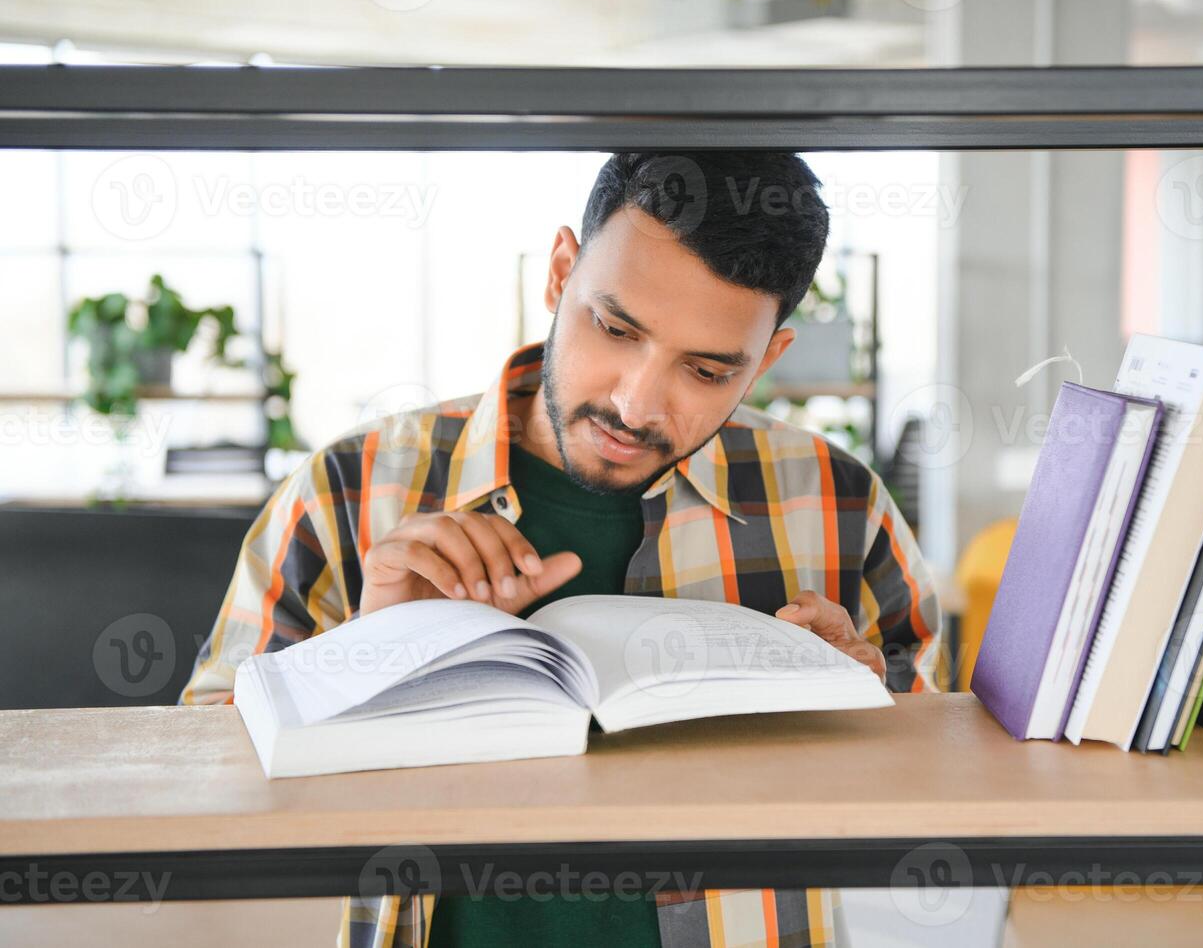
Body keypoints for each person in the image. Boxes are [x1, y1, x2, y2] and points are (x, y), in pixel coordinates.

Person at [181, 150, 942, 947]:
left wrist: (862, 718)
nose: (635, 402)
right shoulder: (347, 488)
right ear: (558, 273)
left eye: (708, 369)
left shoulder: (838, 501)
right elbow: (202, 775)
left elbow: (937, 780)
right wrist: (373, 655)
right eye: (614, 329)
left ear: (767, 360)